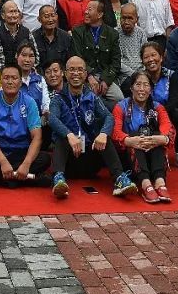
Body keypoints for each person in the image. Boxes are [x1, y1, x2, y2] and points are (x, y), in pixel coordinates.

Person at [48, 56, 136, 198]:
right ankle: (58, 178)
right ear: (65, 73)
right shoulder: (58, 99)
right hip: (69, 160)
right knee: (60, 138)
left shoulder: (92, 97)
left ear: (85, 74)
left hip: (90, 159)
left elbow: (109, 116)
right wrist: (69, 135)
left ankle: (120, 179)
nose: (76, 73)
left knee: (103, 137)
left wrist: (103, 134)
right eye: (71, 70)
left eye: (80, 70)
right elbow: (52, 118)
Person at [0, 65, 50, 188]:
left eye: (14, 78)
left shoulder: (29, 102)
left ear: (20, 81)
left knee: (45, 158)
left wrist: (26, 164)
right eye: (6, 78)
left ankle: (0, 178)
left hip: (22, 151)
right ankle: (29, 179)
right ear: (0, 80)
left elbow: (37, 137)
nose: (10, 82)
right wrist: (3, 162)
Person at [112, 71, 174, 204]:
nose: (141, 89)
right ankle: (146, 184)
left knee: (158, 137)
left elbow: (168, 128)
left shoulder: (158, 107)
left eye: (146, 85)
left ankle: (159, 181)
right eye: (138, 84)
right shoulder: (120, 107)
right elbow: (115, 132)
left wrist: (161, 139)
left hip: (152, 154)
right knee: (135, 136)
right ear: (131, 88)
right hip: (130, 157)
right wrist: (129, 140)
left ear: (151, 89)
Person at [140, 41, 178, 169]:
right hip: (143, 111)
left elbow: (174, 99)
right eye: (146, 57)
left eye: (154, 55)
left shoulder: (171, 75)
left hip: (167, 110)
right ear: (142, 60)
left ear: (161, 57)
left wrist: (159, 113)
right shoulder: (140, 76)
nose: (151, 59)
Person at [72, 0, 122, 107]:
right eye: (86, 9)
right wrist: (89, 76)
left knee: (119, 99)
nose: (86, 12)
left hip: (105, 75)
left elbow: (116, 62)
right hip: (85, 76)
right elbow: (77, 57)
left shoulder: (112, 34)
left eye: (90, 9)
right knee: (88, 99)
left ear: (100, 14)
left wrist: (106, 80)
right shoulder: (78, 31)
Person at [0, 0, 32, 71]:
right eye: (10, 12)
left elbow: (34, 55)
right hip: (6, 74)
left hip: (25, 72)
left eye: (16, 11)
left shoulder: (26, 31)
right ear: (3, 16)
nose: (13, 15)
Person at [116, 4, 148, 91]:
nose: (126, 21)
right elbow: (117, 61)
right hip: (124, 76)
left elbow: (145, 55)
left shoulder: (141, 33)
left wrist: (142, 73)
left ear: (136, 19)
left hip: (142, 72)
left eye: (130, 18)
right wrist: (134, 74)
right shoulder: (114, 34)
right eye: (123, 18)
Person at [32, 4, 73, 71]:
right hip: (41, 77)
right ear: (39, 19)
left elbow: (69, 61)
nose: (50, 20)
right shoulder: (33, 38)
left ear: (57, 16)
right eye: (46, 16)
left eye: (53, 15)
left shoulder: (66, 37)